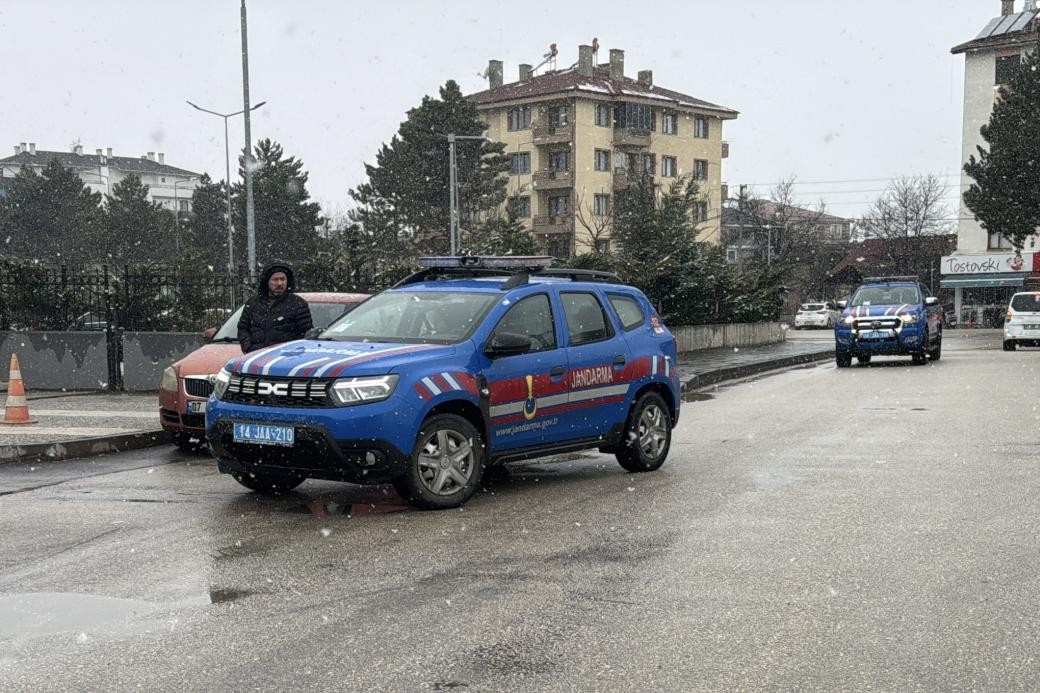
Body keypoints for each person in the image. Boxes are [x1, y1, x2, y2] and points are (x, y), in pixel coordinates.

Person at [237, 260, 313, 353]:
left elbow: (305, 333)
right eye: (275, 279)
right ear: (267, 281)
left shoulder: (298, 304)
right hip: (256, 357)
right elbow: (243, 328)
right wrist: (248, 348)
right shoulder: (253, 303)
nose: (279, 283)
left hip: (285, 359)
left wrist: (292, 352)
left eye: (283, 279)